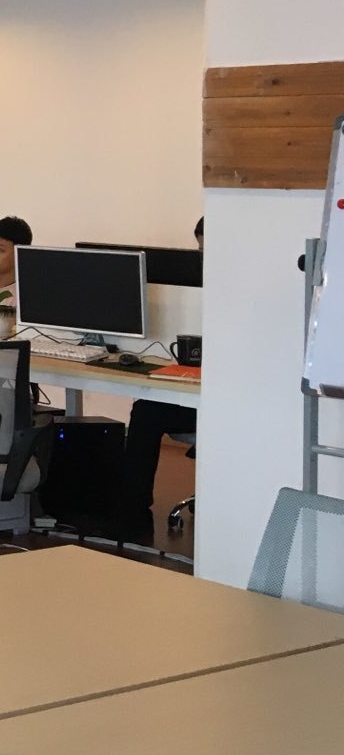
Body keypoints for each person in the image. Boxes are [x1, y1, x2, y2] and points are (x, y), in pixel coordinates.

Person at [115, 216, 204, 539]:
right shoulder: (198, 293)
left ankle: (132, 506)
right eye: (200, 251)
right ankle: (131, 505)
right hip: (202, 393)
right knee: (147, 407)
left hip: (233, 404)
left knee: (147, 412)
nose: (203, 259)